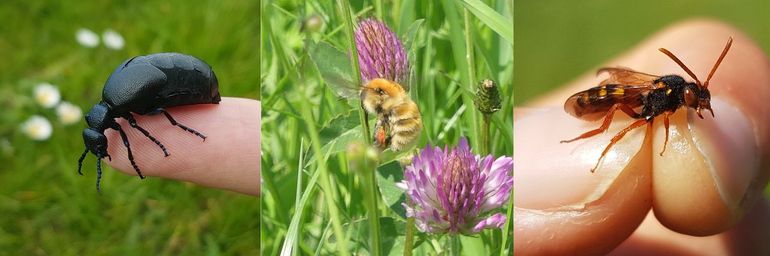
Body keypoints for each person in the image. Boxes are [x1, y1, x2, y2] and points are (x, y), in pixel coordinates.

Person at [514, 19, 770, 255]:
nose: (697, 104)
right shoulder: (666, 97)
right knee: (626, 116)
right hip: (596, 101)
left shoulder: (675, 97)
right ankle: (596, 138)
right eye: (695, 100)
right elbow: (660, 118)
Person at [102, 97, 260, 196]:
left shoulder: (116, 104)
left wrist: (156, 142)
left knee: (141, 123)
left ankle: (177, 125)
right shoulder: (113, 105)